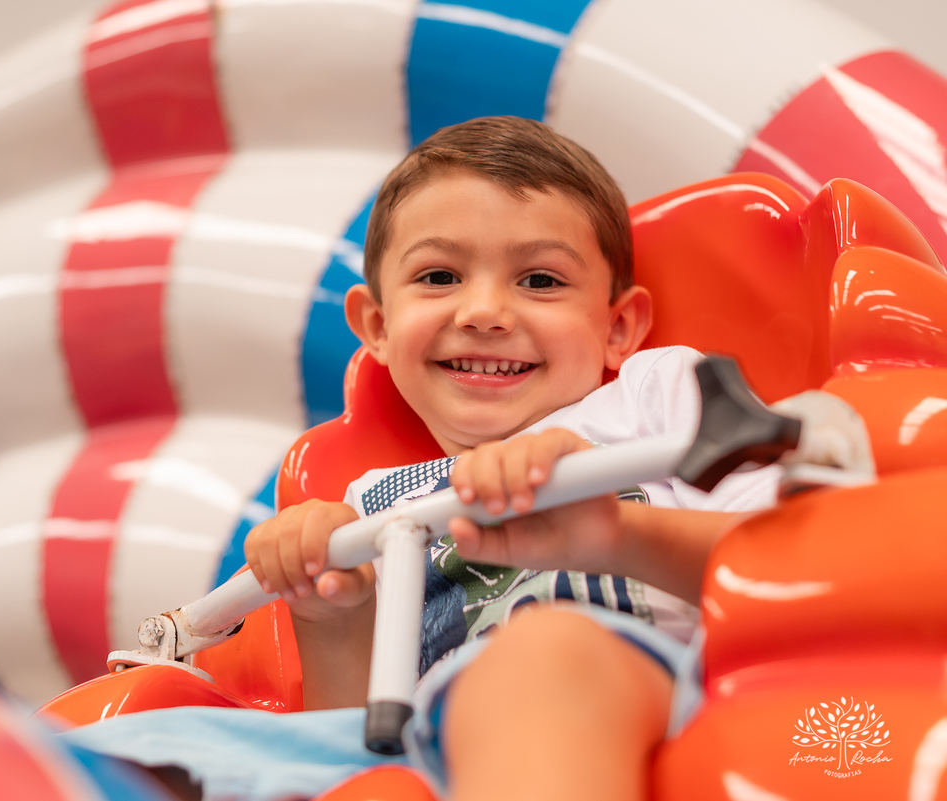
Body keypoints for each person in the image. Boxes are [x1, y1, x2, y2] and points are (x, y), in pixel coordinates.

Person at [241, 115, 779, 800]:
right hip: (435, 753)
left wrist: (618, 532)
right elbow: (349, 753)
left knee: (541, 651)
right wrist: (329, 615)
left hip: (654, 699)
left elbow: (784, 561)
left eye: (541, 281)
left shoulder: (657, 397)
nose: (485, 311)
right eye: (439, 275)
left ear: (619, 328)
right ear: (377, 327)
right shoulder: (371, 503)